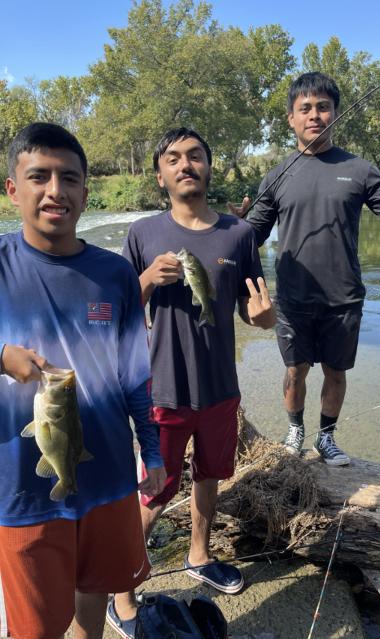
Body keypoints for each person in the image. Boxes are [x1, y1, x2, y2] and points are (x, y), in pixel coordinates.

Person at [229, 72, 380, 463]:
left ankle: (326, 438)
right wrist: (231, 229)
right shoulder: (276, 176)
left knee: (336, 372)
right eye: (305, 108)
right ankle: (295, 431)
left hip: (344, 297)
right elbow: (253, 237)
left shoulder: (359, 169)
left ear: (335, 113)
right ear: (291, 118)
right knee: (295, 371)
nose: (315, 115)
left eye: (323, 107)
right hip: (293, 298)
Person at [0, 122, 166, 639]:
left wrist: (153, 451)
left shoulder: (116, 274)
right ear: (12, 189)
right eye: (39, 176)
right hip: (22, 485)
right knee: (36, 625)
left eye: (69, 178)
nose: (56, 191)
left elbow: (135, 377)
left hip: (109, 470)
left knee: (95, 587)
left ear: (86, 193)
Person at [109, 127, 275, 638]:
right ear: (160, 175)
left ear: (209, 166)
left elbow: (252, 309)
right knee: (154, 492)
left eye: (195, 156)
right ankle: (121, 594)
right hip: (162, 391)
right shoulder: (142, 234)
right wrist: (143, 281)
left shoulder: (239, 234)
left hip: (221, 388)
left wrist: (265, 317)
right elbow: (114, 313)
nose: (186, 164)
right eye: (174, 158)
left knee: (209, 475)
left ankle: (199, 555)